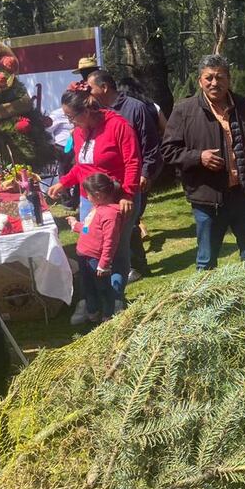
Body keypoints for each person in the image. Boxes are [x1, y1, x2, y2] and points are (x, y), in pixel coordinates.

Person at [161, 54, 245, 270]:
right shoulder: (185, 110)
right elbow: (168, 151)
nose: (214, 83)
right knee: (207, 260)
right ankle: (207, 292)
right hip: (208, 199)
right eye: (209, 78)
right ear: (199, 81)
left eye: (220, 77)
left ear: (229, 79)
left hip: (244, 195)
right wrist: (198, 157)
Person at [46, 81, 141, 320]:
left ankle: (115, 299)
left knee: (116, 249)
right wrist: (64, 182)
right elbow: (82, 166)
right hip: (89, 199)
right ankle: (92, 302)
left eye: (72, 117)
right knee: (88, 249)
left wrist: (128, 194)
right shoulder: (80, 132)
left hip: (116, 200)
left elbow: (132, 162)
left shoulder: (118, 125)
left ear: (87, 111)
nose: (71, 122)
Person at [87, 70, 162, 282]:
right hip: (108, 183)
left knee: (130, 221)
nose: (88, 92)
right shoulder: (98, 111)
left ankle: (136, 266)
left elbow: (150, 145)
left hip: (133, 178)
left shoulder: (135, 108)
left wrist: (145, 173)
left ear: (104, 87)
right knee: (113, 223)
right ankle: (123, 266)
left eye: (90, 87)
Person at [66, 173, 123, 323]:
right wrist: (75, 225)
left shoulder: (110, 214)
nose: (86, 197)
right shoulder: (96, 209)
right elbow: (88, 229)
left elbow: (110, 241)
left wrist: (104, 263)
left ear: (98, 195)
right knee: (88, 285)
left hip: (96, 259)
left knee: (103, 288)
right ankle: (92, 311)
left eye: (88, 194)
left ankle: (108, 314)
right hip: (83, 255)